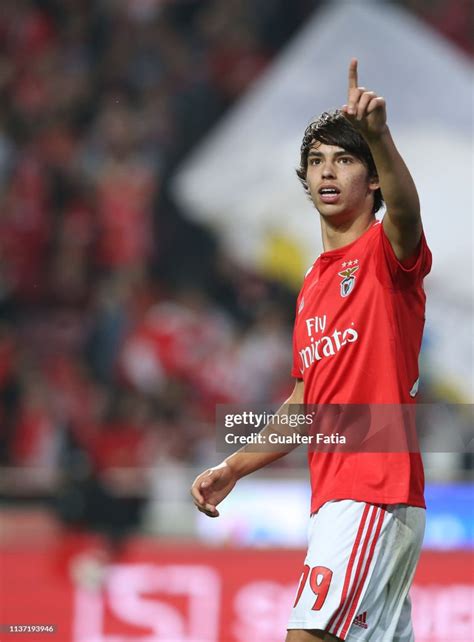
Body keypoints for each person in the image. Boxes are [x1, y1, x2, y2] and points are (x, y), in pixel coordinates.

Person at [191, 59, 431, 641]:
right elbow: (305, 404)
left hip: (373, 490)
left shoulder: (384, 255)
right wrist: (234, 468)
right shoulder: (312, 287)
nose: (328, 172)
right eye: (317, 161)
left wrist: (378, 135)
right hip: (339, 497)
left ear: (372, 178)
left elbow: (405, 213)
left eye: (345, 159)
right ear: (303, 179)